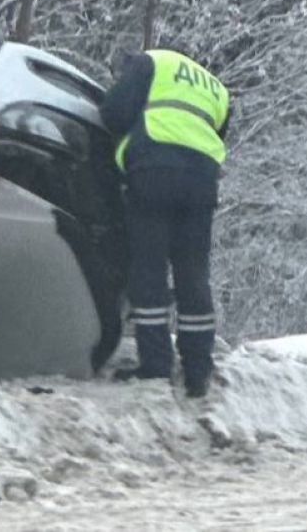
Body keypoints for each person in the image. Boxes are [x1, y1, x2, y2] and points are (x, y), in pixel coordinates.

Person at [99, 47, 231, 398]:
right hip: (202, 181)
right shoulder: (216, 87)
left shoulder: (148, 62)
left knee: (149, 269)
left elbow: (114, 114)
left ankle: (155, 365)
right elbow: (220, 131)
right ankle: (197, 370)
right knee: (193, 273)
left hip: (154, 170)